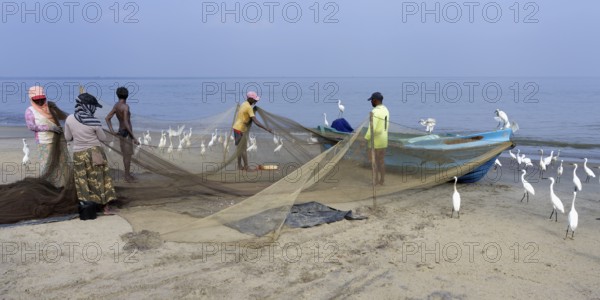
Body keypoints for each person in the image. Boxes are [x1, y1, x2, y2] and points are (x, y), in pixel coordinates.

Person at [64, 93, 117, 214]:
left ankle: (88, 207)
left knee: (83, 180)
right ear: (89, 107)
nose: (95, 109)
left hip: (78, 153)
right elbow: (102, 138)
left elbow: (67, 137)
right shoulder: (94, 121)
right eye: (94, 107)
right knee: (101, 178)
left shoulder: (69, 119)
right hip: (95, 153)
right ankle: (105, 208)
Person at [24, 85, 69, 188]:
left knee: (62, 164)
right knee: (47, 165)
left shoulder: (50, 107)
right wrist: (48, 127)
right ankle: (49, 187)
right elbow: (31, 126)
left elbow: (62, 117)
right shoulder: (30, 111)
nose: (40, 102)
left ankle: (62, 185)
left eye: (42, 99)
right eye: (37, 100)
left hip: (59, 141)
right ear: (31, 99)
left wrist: (56, 109)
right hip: (44, 142)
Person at [105, 87, 139, 182]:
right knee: (128, 155)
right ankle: (127, 177)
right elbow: (126, 122)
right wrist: (134, 137)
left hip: (120, 132)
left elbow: (107, 118)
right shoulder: (126, 107)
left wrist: (112, 131)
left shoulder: (116, 105)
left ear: (117, 95)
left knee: (125, 155)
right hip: (126, 133)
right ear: (127, 95)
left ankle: (127, 175)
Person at [232, 91, 273, 171]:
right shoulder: (249, 108)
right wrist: (266, 128)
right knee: (243, 148)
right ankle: (246, 167)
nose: (256, 101)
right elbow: (256, 122)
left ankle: (239, 166)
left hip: (236, 128)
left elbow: (244, 115)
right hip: (239, 129)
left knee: (239, 148)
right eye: (254, 99)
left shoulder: (244, 104)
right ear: (250, 99)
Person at [365, 92, 389, 185]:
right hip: (384, 139)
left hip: (375, 141)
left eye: (371, 100)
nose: (371, 102)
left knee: (374, 162)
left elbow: (372, 128)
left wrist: (365, 139)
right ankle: (382, 180)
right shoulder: (386, 109)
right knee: (381, 161)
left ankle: (375, 181)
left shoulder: (375, 111)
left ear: (375, 100)